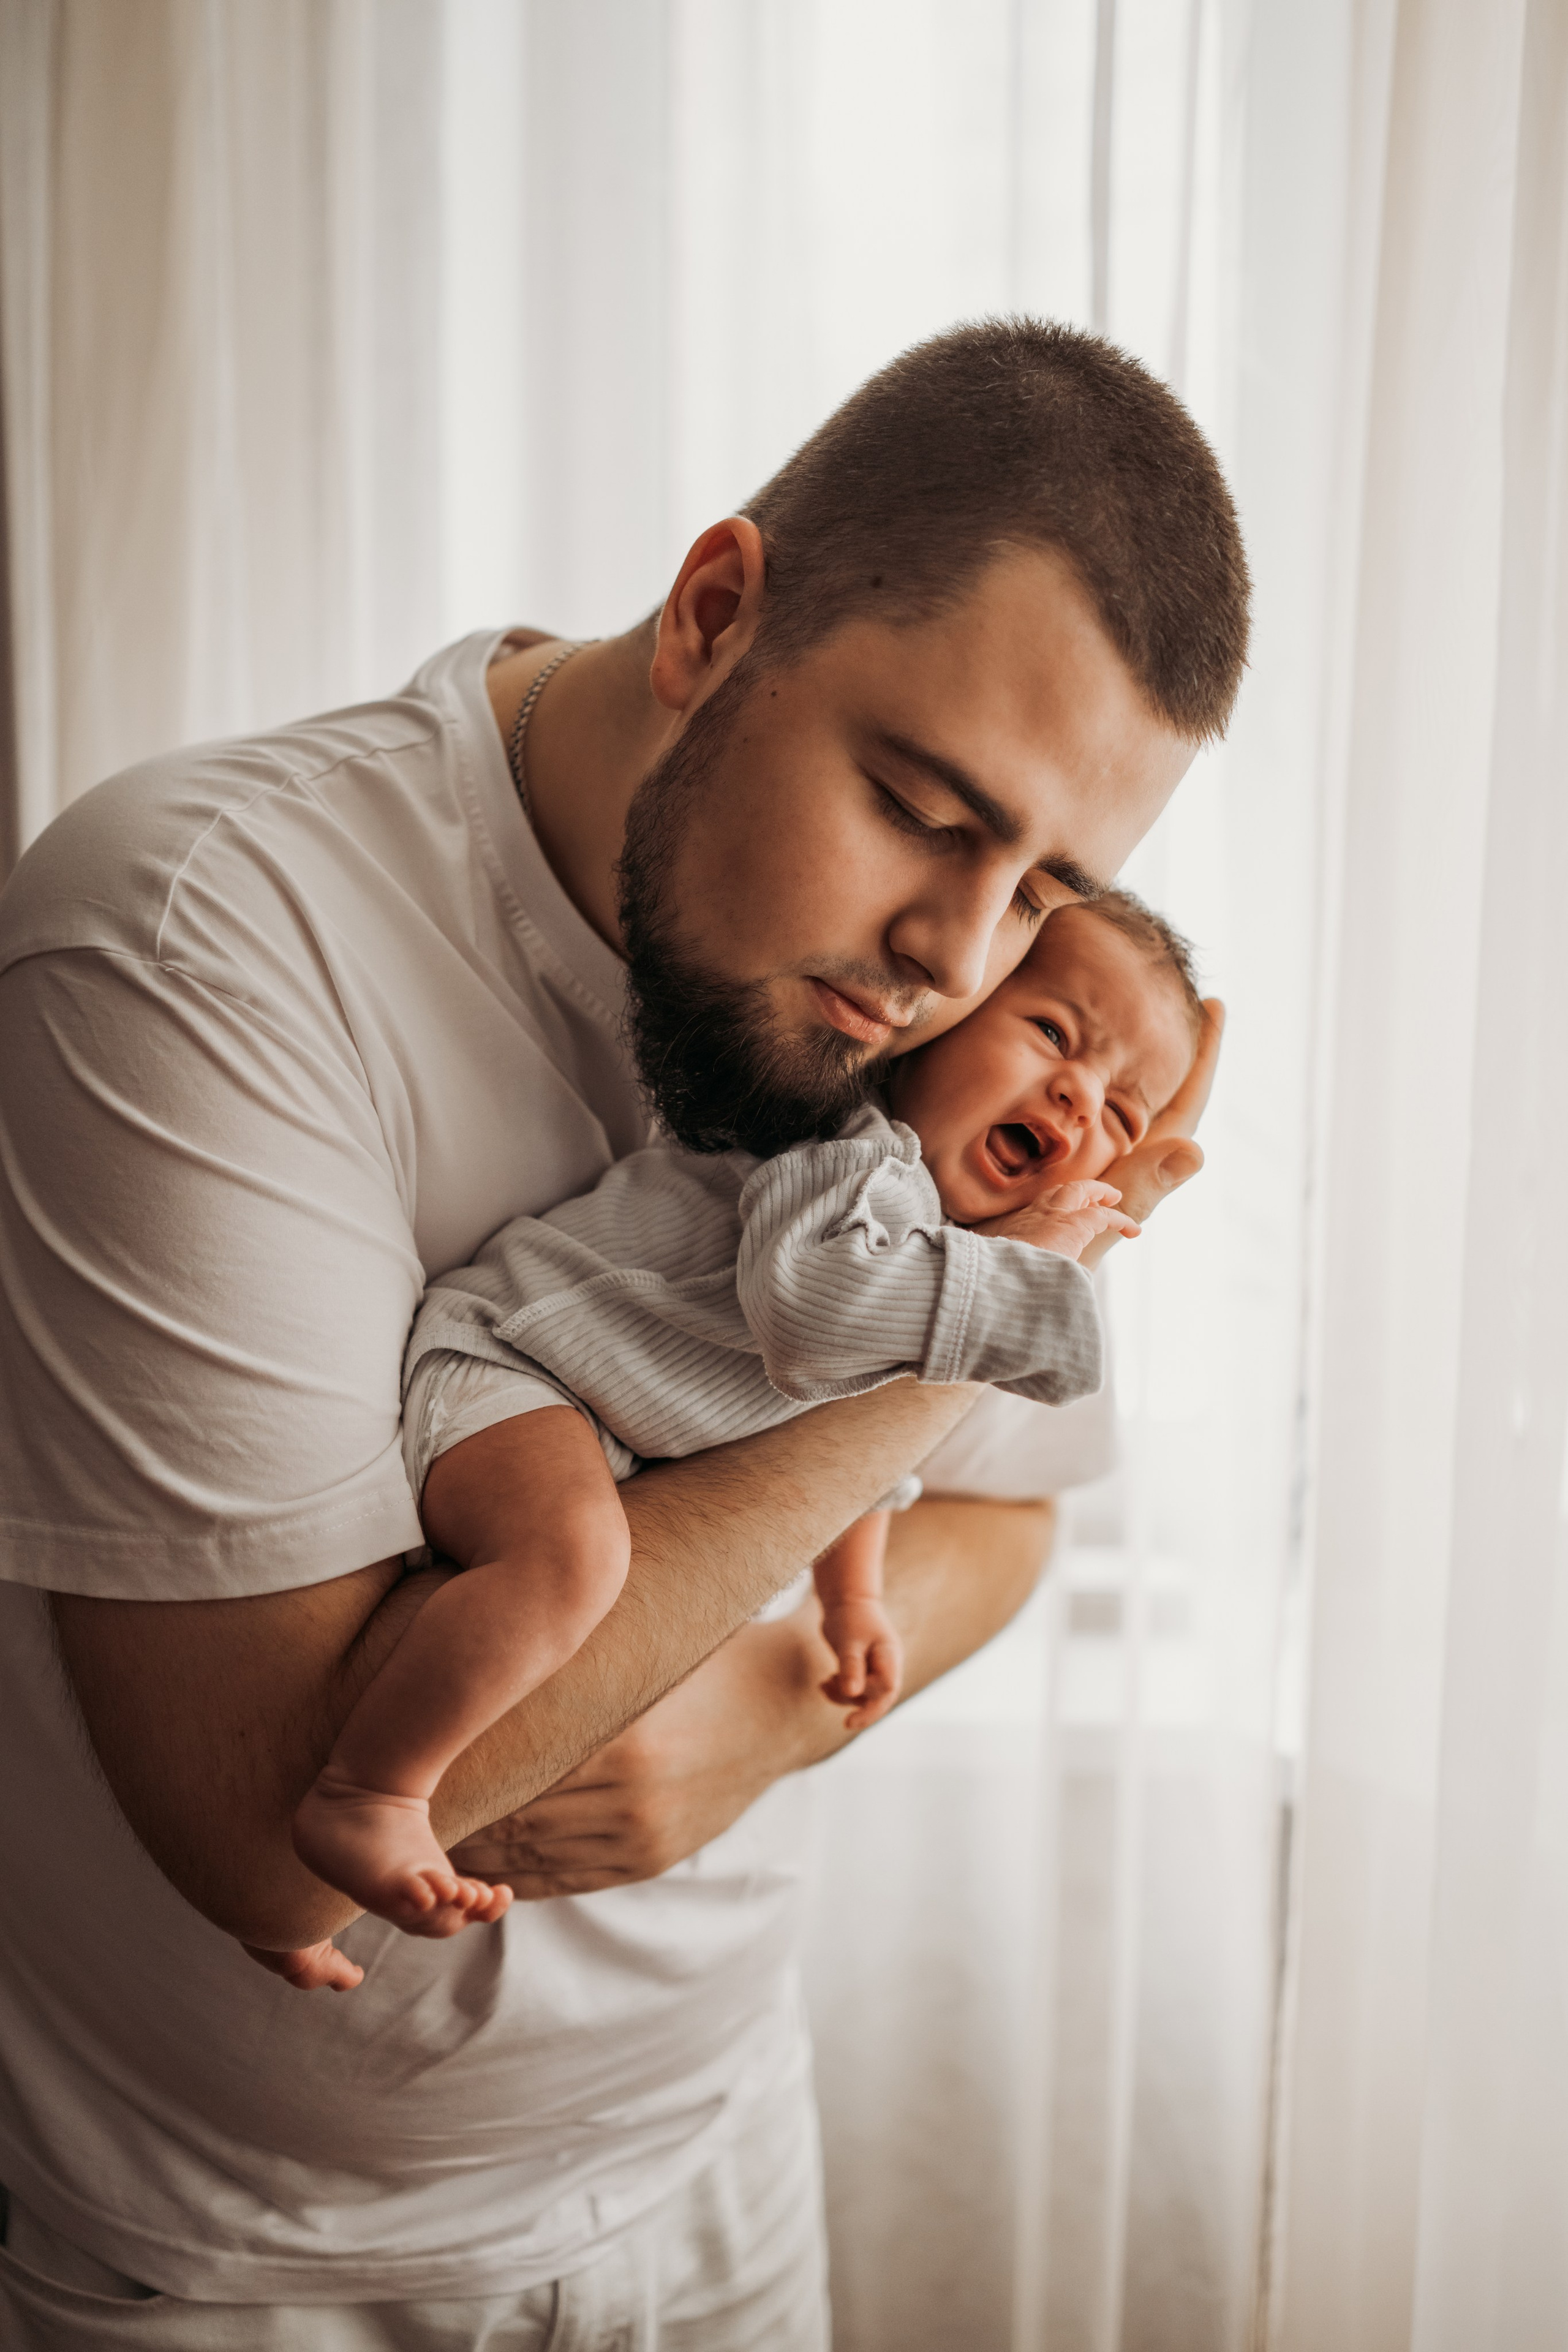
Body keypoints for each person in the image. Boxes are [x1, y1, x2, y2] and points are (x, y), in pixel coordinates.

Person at [0, 319, 1246, 2348]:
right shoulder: (195, 942)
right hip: (249, 2271)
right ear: (715, 614)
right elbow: (261, 1839)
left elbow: (1007, 1530)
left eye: (1044, 890)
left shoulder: (932, 1011)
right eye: (927, 810)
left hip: (718, 2169)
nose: (955, 957)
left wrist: (763, 1719)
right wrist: (961, 1333)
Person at [284, 890, 1204, 1991]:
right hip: (510, 1364)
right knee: (570, 1566)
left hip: (592, 1427)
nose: (1077, 1094)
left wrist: (851, 1600)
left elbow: (851, 1454)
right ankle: (365, 1796)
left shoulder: (934, 1249)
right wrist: (1043, 1277)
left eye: (1123, 1115)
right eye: (1054, 1033)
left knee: (472, 1635)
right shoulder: (854, 1150)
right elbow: (814, 1312)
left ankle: (298, 1889)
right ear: (936, 1021)